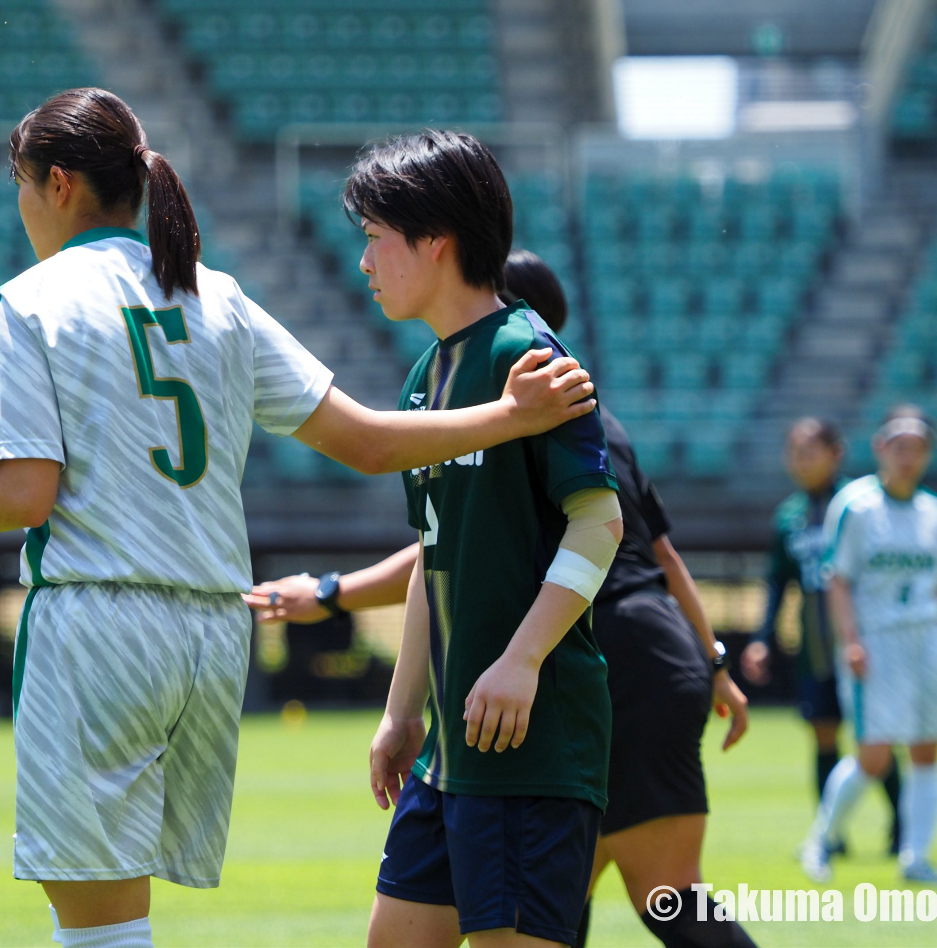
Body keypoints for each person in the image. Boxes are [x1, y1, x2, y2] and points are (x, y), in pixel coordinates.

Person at [0, 90, 601, 948]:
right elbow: (365, 440)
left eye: (18, 185)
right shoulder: (219, 296)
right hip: (208, 637)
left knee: (97, 929)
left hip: (98, 620)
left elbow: (22, 495)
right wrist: (505, 418)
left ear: (56, 185)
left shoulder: (28, 301)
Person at [250, 249, 757, 948]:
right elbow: (444, 550)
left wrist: (335, 593)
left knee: (662, 892)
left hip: (605, 663)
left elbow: (601, 537)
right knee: (560, 899)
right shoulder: (458, 391)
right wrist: (715, 661)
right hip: (609, 666)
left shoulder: (553, 406)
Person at [799, 406, 937, 885]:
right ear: (881, 448)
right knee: (874, 755)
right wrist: (849, 640)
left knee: (928, 750)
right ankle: (822, 838)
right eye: (901, 447)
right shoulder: (856, 505)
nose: (909, 458)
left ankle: (916, 859)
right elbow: (838, 581)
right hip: (878, 640)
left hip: (928, 637)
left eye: (918, 449)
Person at [741, 419, 902, 857]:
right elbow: (779, 582)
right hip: (815, 646)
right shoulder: (789, 517)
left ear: (836, 453)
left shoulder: (861, 507)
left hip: (863, 642)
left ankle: (903, 829)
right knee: (824, 735)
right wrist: (762, 638)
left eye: (808, 452)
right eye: (794, 452)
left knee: (877, 736)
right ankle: (832, 835)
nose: (800, 462)